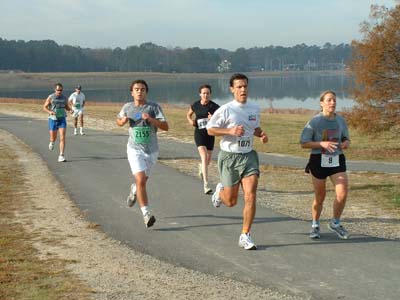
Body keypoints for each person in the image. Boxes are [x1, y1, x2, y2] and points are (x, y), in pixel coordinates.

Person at [206, 73, 268, 250]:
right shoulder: (226, 109)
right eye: (239, 87)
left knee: (251, 195)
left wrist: (261, 134)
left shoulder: (254, 108)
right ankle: (220, 191)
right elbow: (210, 130)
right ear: (232, 89)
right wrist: (230, 131)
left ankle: (245, 235)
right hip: (229, 158)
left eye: (245, 86)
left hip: (248, 156)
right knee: (231, 201)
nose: (243, 90)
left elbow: (254, 127)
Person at [116, 79, 169, 228]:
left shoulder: (153, 107)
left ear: (146, 91)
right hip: (134, 150)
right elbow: (118, 121)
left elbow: (166, 127)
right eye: (137, 89)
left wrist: (151, 119)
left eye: (143, 89)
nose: (140, 91)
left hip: (151, 150)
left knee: (142, 182)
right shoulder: (127, 107)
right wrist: (124, 121)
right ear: (132, 92)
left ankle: (134, 190)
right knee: (140, 180)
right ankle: (146, 214)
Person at [300, 90, 351, 240]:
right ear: (321, 103)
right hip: (318, 160)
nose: (332, 103)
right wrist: (321, 143)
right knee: (320, 197)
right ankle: (315, 225)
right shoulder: (315, 121)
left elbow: (346, 138)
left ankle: (335, 222)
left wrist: (346, 143)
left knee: (342, 193)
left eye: (334, 100)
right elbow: (303, 143)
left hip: (337, 159)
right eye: (329, 100)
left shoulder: (341, 120)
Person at [186, 84, 220, 194]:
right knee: (204, 156)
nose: (205, 95)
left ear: (210, 94)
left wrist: (213, 118)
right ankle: (206, 185)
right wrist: (190, 121)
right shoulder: (195, 105)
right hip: (199, 134)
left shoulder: (215, 107)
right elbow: (188, 115)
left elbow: (221, 120)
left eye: (208, 93)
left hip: (210, 134)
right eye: (204, 93)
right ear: (200, 94)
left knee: (208, 159)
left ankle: (201, 167)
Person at [43, 83, 71, 162]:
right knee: (53, 138)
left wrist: (71, 110)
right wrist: (50, 112)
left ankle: (61, 155)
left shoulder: (64, 98)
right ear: (55, 90)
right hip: (53, 119)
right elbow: (44, 107)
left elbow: (66, 107)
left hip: (62, 119)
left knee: (62, 137)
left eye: (61, 90)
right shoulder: (51, 97)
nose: (59, 91)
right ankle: (51, 142)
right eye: (58, 90)